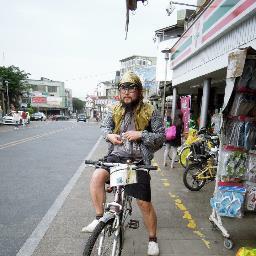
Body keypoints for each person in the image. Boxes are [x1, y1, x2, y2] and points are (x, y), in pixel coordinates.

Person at [82, 71, 165, 256]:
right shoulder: (114, 109)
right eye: (123, 88)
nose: (126, 92)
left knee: (143, 203)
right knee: (97, 176)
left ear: (139, 91)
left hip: (138, 161)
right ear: (119, 92)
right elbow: (104, 127)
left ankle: (152, 239)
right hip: (116, 156)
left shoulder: (151, 110)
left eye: (131, 88)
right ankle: (99, 218)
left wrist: (141, 134)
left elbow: (161, 137)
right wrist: (108, 135)